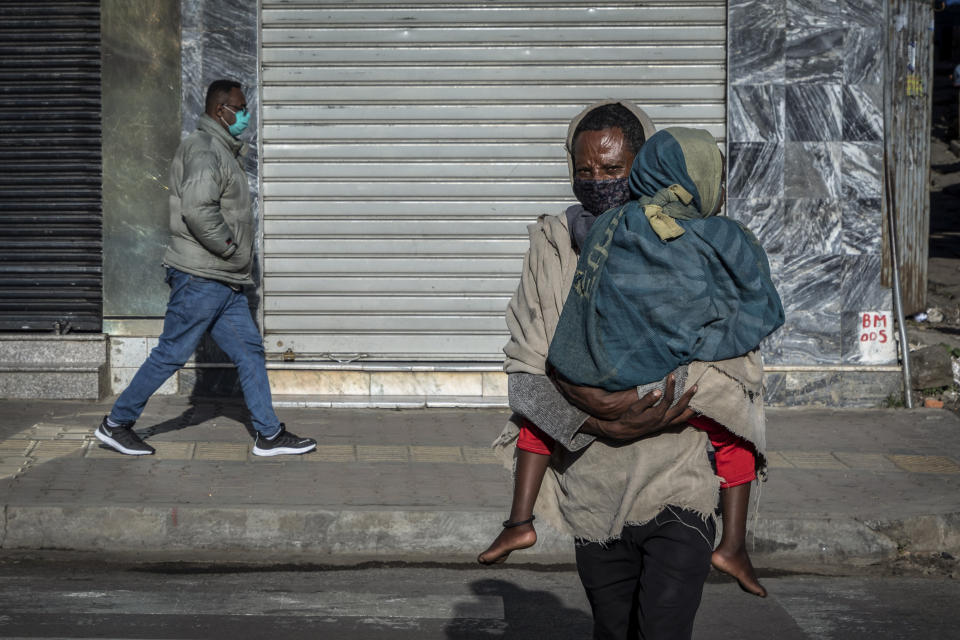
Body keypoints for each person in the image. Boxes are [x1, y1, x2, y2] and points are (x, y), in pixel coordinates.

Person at [481, 101, 773, 639]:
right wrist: (596, 419)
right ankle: (518, 521)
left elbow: (735, 366)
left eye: (613, 170)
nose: (598, 183)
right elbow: (527, 372)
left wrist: (654, 403)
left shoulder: (692, 239)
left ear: (643, 167)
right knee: (613, 630)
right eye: (584, 171)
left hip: (679, 479)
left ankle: (731, 544)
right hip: (593, 487)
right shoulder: (552, 247)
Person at [95, 79, 316, 458]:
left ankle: (269, 434)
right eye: (240, 108)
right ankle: (116, 424)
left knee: (248, 352)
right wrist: (230, 247)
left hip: (222, 278)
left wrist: (230, 261)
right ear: (221, 110)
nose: (245, 115)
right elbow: (198, 210)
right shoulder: (204, 150)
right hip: (202, 275)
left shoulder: (221, 151)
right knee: (171, 353)